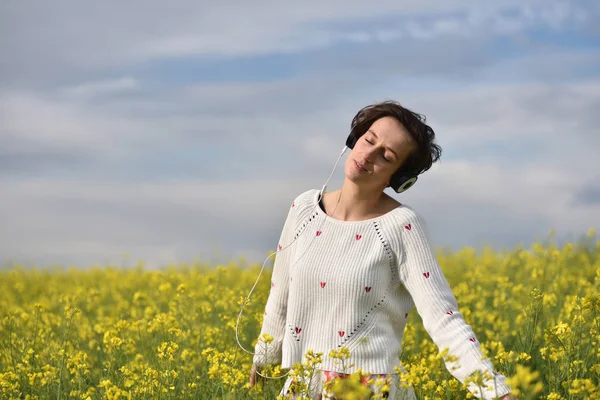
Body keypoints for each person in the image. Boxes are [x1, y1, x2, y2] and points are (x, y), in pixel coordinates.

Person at [248, 100, 517, 399]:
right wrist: (265, 356)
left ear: (398, 178)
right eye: (368, 140)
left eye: (386, 156)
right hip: (303, 386)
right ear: (354, 139)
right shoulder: (303, 209)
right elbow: (280, 291)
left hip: (370, 391)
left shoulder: (402, 226)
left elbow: (443, 318)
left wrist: (496, 391)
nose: (368, 155)